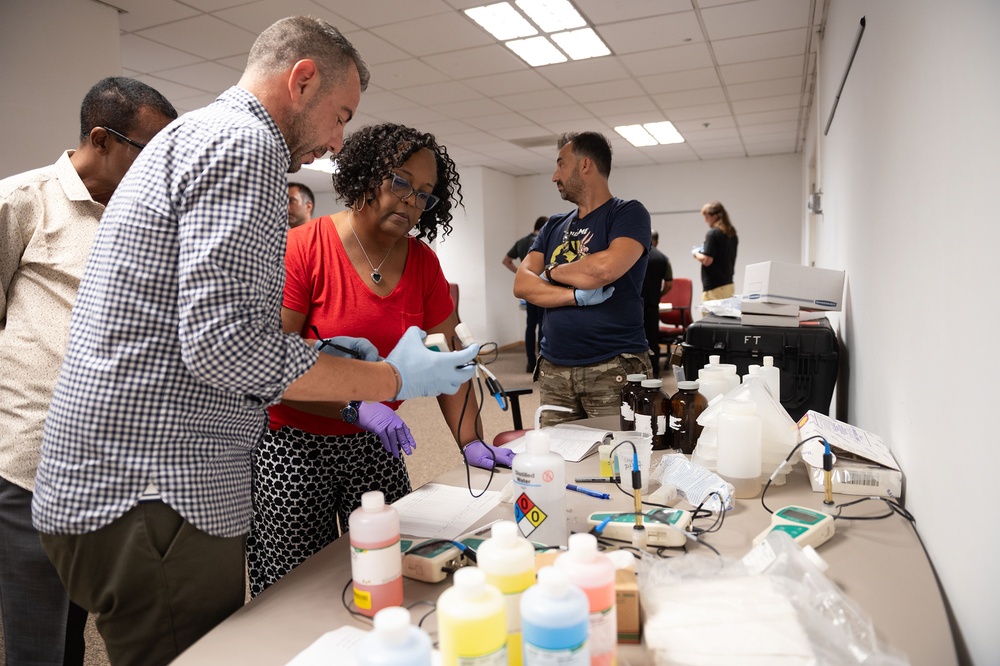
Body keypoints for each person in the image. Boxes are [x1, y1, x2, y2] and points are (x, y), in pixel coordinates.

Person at [31, 18, 477, 666]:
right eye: (340, 116)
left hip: (117, 482)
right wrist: (389, 381)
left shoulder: (198, 133)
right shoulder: (246, 144)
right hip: (157, 494)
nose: (336, 141)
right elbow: (227, 346)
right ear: (302, 80)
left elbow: (206, 324)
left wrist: (333, 363)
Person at [249, 122, 512, 597]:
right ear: (366, 176)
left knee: (389, 567)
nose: (412, 201)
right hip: (293, 440)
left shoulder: (423, 263)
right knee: (297, 581)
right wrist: (354, 404)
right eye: (401, 182)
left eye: (426, 194)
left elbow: (446, 362)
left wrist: (471, 439)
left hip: (379, 442)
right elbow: (273, 367)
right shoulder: (303, 249)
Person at [0, 77, 176, 666]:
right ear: (101, 138)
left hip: (108, 471)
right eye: (150, 152)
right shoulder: (24, 201)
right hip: (30, 467)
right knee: (37, 642)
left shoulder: (144, 220)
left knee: (81, 623)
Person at [513, 131, 652, 428]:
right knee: (558, 461)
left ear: (585, 165)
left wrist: (550, 271)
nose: (554, 175)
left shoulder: (627, 213)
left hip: (613, 364)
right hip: (554, 368)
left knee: (620, 457)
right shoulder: (553, 225)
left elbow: (603, 270)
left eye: (561, 164)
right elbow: (522, 285)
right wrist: (573, 296)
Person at [503, 215, 547, 372]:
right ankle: (543, 362)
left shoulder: (521, 242)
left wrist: (520, 273)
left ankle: (530, 363)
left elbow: (506, 260)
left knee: (530, 325)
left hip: (528, 289)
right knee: (543, 324)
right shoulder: (542, 241)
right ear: (543, 227)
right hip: (541, 287)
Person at [693, 200, 738, 301]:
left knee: (711, 316)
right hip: (728, 286)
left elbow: (707, 260)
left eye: (707, 217)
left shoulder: (712, 234)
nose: (705, 220)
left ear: (715, 215)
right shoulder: (732, 234)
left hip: (714, 288)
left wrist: (696, 253)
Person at [641, 230, 672, 377]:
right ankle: (655, 371)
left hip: (634, 304)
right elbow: (669, 285)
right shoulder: (663, 258)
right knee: (652, 338)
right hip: (652, 304)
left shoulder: (636, 255)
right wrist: (658, 295)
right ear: (657, 241)